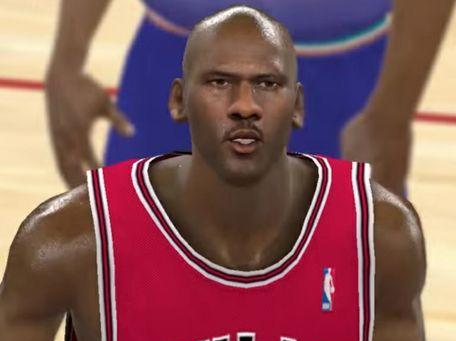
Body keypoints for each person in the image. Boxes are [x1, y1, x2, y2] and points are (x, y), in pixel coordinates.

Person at [1, 6, 446, 341]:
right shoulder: (71, 241)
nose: (244, 106)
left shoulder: (378, 234)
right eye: (220, 83)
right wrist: (68, 59)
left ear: (298, 106)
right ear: (177, 101)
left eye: (266, 85)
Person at [45, 0, 455, 196]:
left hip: (337, 79)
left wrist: (391, 113)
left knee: (344, 321)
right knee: (131, 310)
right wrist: (67, 61)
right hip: (166, 65)